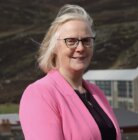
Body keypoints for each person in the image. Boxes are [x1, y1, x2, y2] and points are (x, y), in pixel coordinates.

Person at [19, 4, 121, 140]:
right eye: (71, 41)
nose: (80, 48)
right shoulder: (40, 94)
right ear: (54, 46)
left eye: (86, 41)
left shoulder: (97, 93)